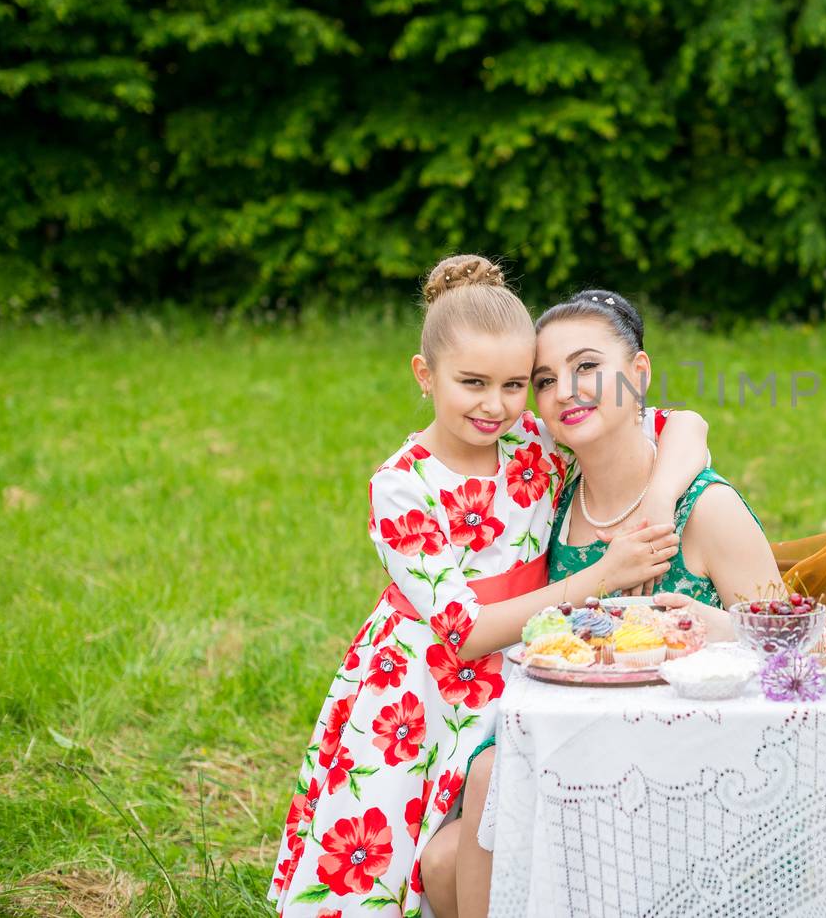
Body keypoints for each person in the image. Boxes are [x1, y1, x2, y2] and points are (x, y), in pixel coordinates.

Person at [267, 258, 711, 917]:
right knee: (382, 848)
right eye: (471, 382)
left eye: (513, 385)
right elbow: (464, 631)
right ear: (425, 375)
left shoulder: (530, 442)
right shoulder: (404, 485)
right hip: (422, 686)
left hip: (523, 668)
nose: (495, 405)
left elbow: (684, 424)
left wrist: (663, 497)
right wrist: (600, 578)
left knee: (491, 831)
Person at [420, 289, 782, 918]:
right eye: (544, 379)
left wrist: (711, 625)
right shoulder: (553, 498)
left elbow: (794, 646)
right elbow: (685, 424)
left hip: (687, 765)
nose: (566, 390)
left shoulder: (704, 510)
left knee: (482, 792)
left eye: (587, 367)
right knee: (441, 862)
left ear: (638, 375)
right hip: (564, 748)